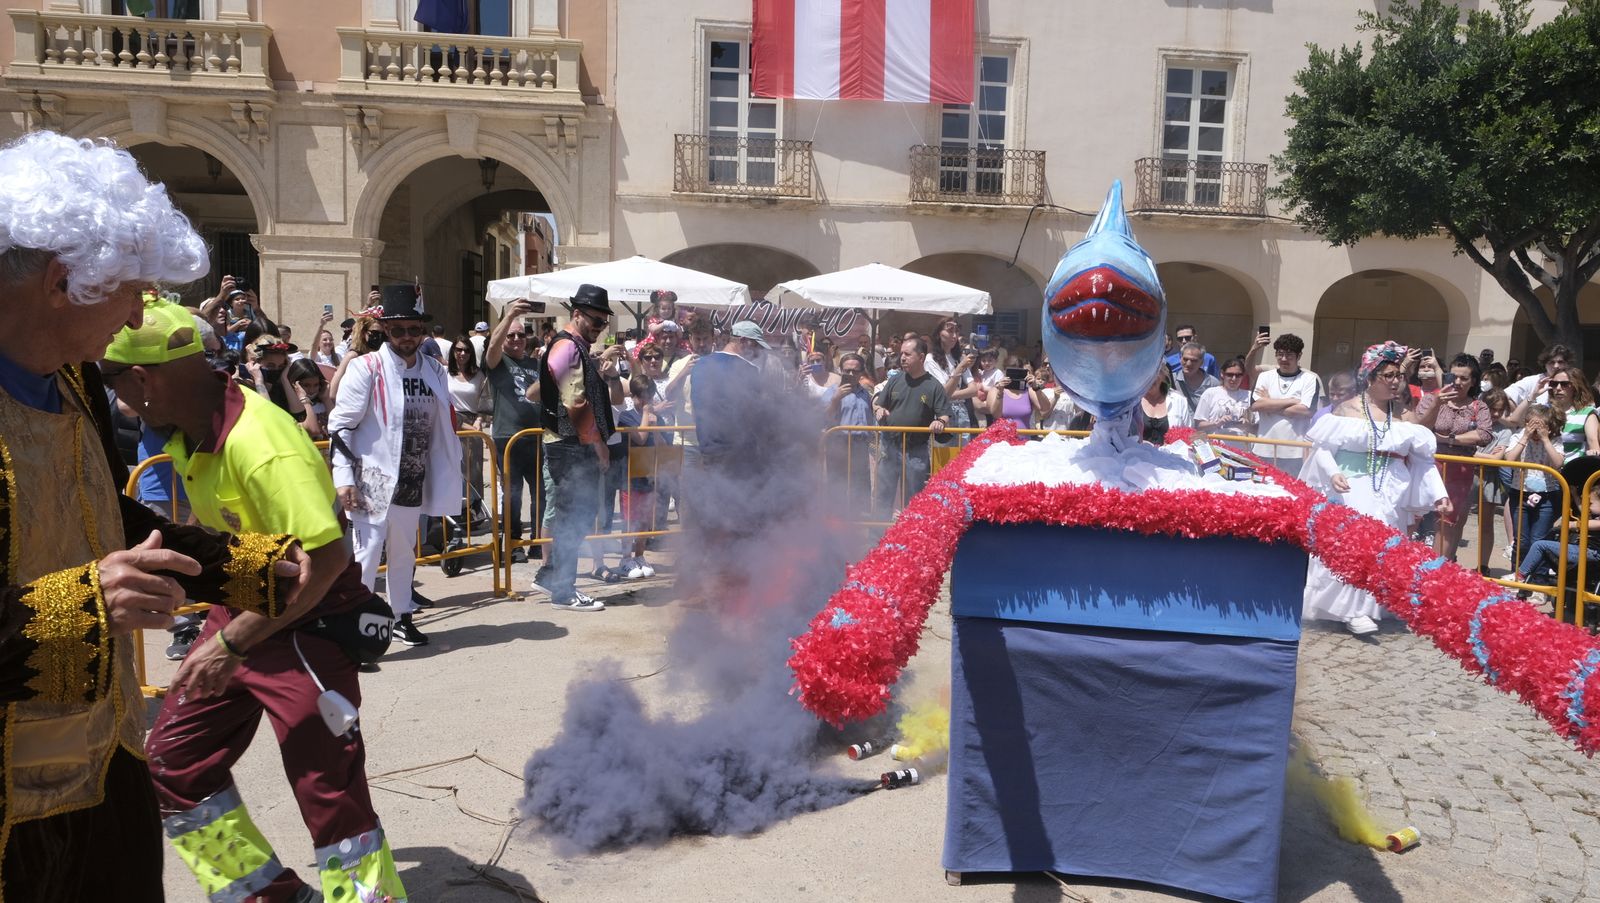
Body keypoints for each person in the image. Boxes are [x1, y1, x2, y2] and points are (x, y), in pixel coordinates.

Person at [0, 130, 309, 900]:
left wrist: (244, 568)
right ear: (63, 281)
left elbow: (113, 515)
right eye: (134, 288)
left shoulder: (71, 379)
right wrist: (73, 606)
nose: (143, 309)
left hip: (105, 769)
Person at [104, 297, 409, 903]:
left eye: (113, 384)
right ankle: (268, 896)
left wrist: (229, 643)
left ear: (142, 381)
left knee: (329, 792)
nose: (115, 401)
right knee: (172, 763)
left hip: (307, 621)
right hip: (241, 608)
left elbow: (326, 560)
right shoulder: (190, 433)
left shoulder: (260, 443)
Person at [327, 284, 463, 646]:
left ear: (422, 330)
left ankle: (401, 616)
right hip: (371, 481)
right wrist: (344, 478)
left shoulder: (433, 370)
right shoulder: (367, 368)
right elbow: (341, 426)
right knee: (366, 556)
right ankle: (354, 630)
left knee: (404, 553)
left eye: (413, 329)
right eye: (398, 329)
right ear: (385, 330)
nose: (406, 336)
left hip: (412, 479)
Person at [1301, 342, 1450, 634]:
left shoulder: (1403, 413)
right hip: (1352, 487)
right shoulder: (1348, 409)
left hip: (1390, 489)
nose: (1396, 382)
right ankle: (1351, 610)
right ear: (1370, 378)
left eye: (1399, 376)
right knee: (1354, 545)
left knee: (1385, 547)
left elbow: (1422, 459)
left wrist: (1439, 494)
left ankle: (1377, 605)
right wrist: (1333, 473)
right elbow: (1323, 448)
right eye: (1388, 376)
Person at [531, 284, 622, 611]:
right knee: (575, 517)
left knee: (576, 515)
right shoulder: (568, 347)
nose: (599, 327)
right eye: (595, 321)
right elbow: (576, 403)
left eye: (603, 322)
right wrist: (598, 444)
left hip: (570, 444)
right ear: (577, 314)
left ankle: (551, 576)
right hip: (569, 445)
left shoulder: (574, 346)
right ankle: (563, 590)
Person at [485, 299, 545, 563]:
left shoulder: (535, 364)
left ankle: (538, 542)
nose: (517, 339)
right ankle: (512, 543)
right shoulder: (499, 362)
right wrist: (509, 316)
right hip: (508, 437)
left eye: (522, 335)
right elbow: (492, 348)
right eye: (511, 336)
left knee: (540, 492)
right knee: (512, 494)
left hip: (536, 437)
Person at [873, 336, 952, 513]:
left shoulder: (934, 386)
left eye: (907, 354)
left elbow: (945, 414)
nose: (902, 358)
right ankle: (877, 529)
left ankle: (913, 530)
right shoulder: (895, 380)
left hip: (916, 450)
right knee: (883, 495)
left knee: (914, 497)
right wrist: (878, 409)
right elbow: (878, 403)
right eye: (901, 353)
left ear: (921, 357)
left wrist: (939, 421)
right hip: (889, 446)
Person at [1430, 354, 1493, 561]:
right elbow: (1420, 424)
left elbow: (1484, 435)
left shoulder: (1478, 406)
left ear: (1473, 381)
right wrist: (1436, 404)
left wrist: (1450, 439)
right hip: (1430, 465)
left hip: (1460, 470)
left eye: (1464, 378)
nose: (1457, 382)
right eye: (1454, 376)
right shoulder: (1435, 400)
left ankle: (1435, 569)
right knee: (1417, 516)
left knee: (1447, 520)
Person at [1500, 403, 1562, 573]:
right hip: (1520, 494)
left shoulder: (1554, 440)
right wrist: (1525, 437)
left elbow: (1558, 463)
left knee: (1539, 540)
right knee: (1521, 541)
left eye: (1540, 427)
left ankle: (1538, 578)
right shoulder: (1518, 437)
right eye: (1532, 426)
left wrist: (1545, 439)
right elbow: (1509, 460)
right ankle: (1516, 575)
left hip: (1547, 496)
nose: (1536, 431)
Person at [1249, 333, 1320, 477]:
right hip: (1263, 448)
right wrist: (1292, 401)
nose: (1283, 359)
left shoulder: (1310, 379)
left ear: (1299, 356)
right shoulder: (1265, 376)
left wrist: (1269, 403)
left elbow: (1306, 410)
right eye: (1280, 354)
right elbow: (1255, 405)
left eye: (1289, 355)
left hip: (1294, 452)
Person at [826, 351, 875, 512]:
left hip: (860, 444)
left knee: (860, 484)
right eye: (847, 371)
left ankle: (860, 518)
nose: (851, 374)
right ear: (841, 371)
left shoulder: (866, 393)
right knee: (838, 484)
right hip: (839, 443)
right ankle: (836, 520)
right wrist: (835, 399)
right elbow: (823, 417)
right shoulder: (832, 391)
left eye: (855, 371)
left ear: (861, 372)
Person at [925, 318, 980, 435]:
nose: (954, 336)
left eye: (957, 331)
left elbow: (974, 390)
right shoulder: (931, 359)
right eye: (950, 331)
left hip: (962, 411)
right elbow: (943, 394)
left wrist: (950, 394)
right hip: (943, 413)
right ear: (939, 334)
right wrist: (960, 368)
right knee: (945, 446)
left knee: (963, 446)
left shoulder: (958, 358)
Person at [1192, 357, 1254, 436]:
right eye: (1230, 375)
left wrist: (1247, 426)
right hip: (1216, 442)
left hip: (1242, 442)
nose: (1234, 378)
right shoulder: (1210, 393)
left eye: (1238, 375)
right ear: (1222, 374)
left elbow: (1258, 428)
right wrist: (1217, 423)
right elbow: (1198, 425)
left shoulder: (1250, 395)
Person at [1504, 343, 1572, 408]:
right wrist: (1518, 415)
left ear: (1567, 364)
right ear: (1544, 364)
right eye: (1551, 362)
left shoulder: (1573, 382)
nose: (1556, 366)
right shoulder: (1532, 381)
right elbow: (1503, 396)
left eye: (1560, 362)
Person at [1139, 363, 1191, 445]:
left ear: (1164, 375)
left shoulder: (1179, 400)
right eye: (1145, 374)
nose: (1149, 378)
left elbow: (1188, 434)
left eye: (1154, 372)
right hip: (1136, 452)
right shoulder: (1131, 402)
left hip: (1172, 453)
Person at [283, 357, 333, 440]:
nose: (312, 390)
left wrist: (326, 399)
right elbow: (313, 430)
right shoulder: (293, 406)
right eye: (306, 385)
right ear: (294, 384)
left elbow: (337, 423)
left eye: (316, 385)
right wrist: (304, 398)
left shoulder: (324, 402)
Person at [1172, 341, 1220, 410]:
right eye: (1185, 359)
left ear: (1201, 362)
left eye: (1193, 360)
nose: (1188, 364)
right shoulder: (1171, 379)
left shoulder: (1213, 384)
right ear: (1180, 359)